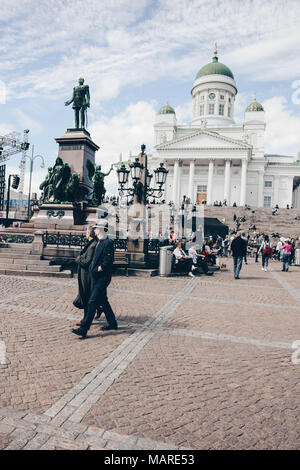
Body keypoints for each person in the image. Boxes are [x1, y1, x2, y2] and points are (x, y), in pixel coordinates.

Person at [72, 223, 118, 338]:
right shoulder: (99, 241)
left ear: (101, 229)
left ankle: (84, 328)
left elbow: (108, 260)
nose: (94, 230)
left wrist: (98, 269)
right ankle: (113, 323)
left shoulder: (108, 242)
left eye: (96, 228)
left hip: (102, 277)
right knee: (104, 302)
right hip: (96, 277)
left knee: (92, 302)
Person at [72, 226, 102, 326]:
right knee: (89, 297)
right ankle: (99, 309)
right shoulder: (91, 244)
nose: (85, 233)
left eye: (86, 232)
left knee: (86, 297)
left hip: (87, 276)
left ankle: (85, 319)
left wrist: (78, 259)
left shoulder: (92, 246)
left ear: (89, 234)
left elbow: (87, 262)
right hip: (85, 275)